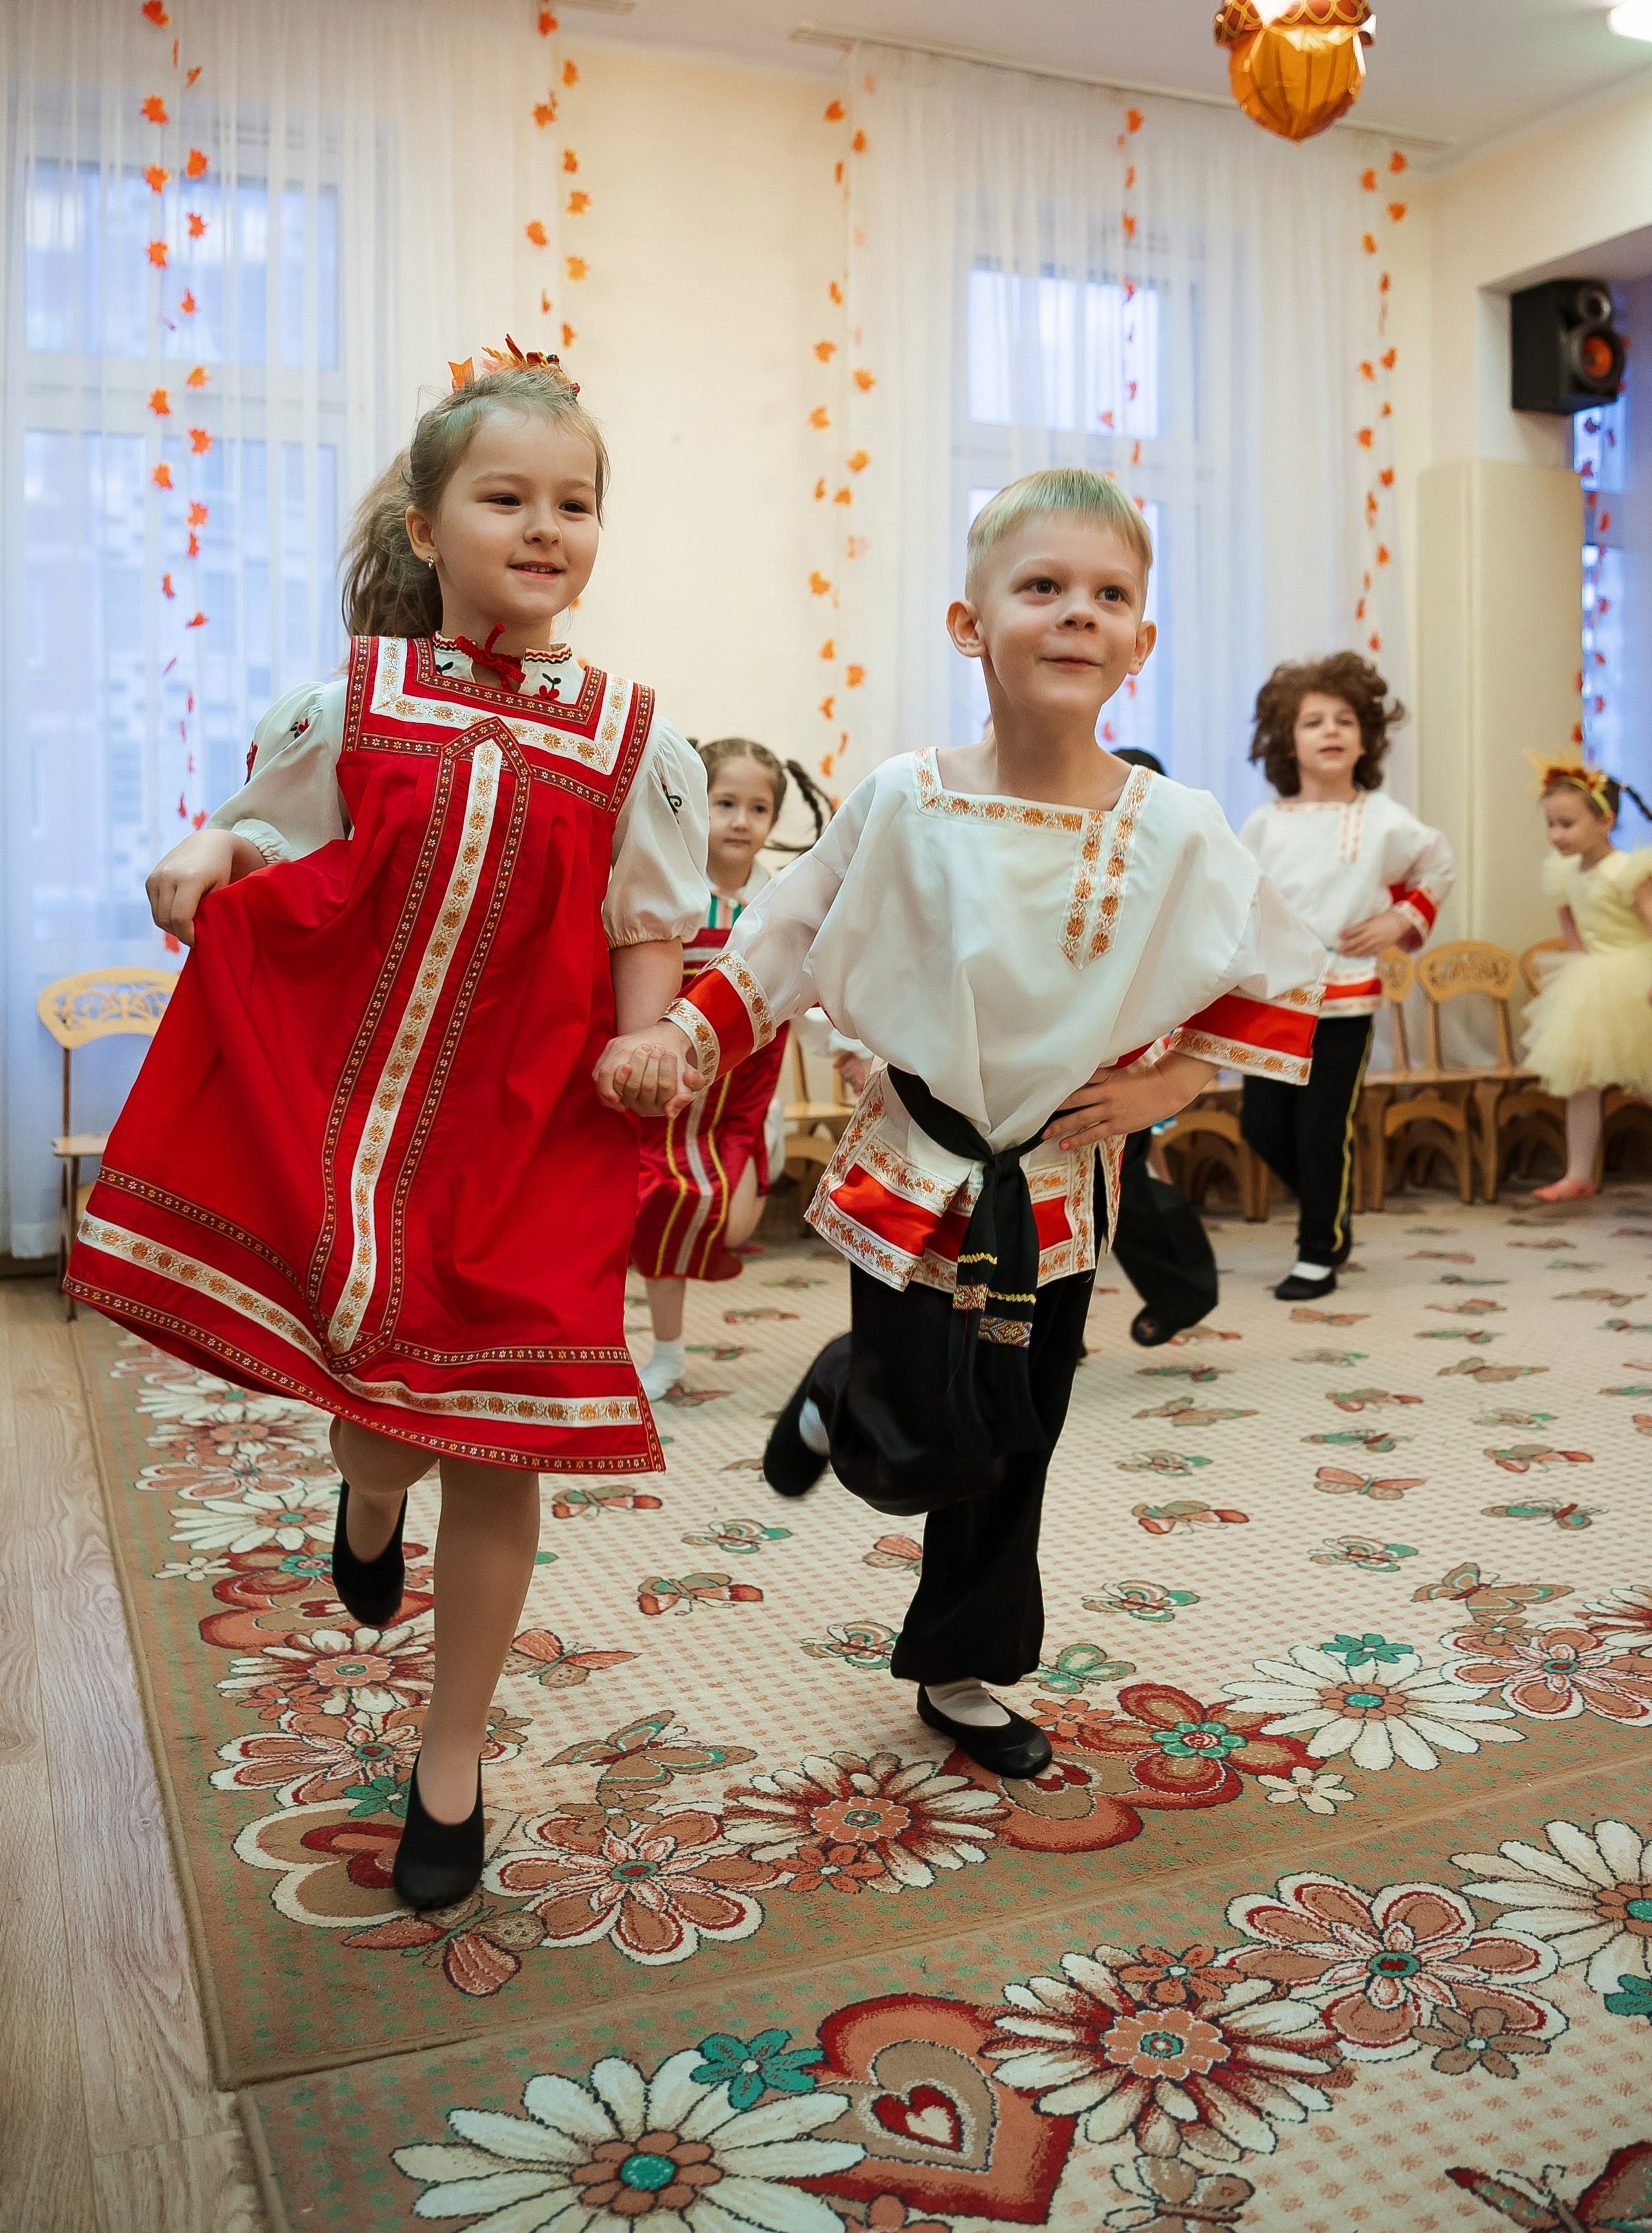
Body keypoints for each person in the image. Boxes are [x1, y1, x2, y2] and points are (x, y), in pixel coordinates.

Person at [65, 348, 708, 1910]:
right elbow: (272, 830)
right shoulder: (354, 698)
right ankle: (365, 1486)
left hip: (530, 1138)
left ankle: (454, 1752)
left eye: (575, 502)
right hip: (364, 1125)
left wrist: (645, 1033)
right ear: (427, 528)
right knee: (388, 1419)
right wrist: (205, 849)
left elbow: (650, 922)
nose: (543, 525)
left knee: (496, 1446)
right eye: (506, 496)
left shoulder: (634, 738)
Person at [594, 467, 1325, 1782]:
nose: (1073, 615)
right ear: (967, 622)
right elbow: (785, 943)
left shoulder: (1176, 827)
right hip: (915, 1166)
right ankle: (843, 1390)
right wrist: (680, 1042)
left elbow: (1278, 978)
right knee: (917, 1436)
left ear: (1140, 642)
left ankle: (959, 1664)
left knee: (1017, 1436)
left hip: (1051, 1184)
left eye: (1107, 596)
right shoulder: (904, 798)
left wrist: (1164, 1088)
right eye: (1039, 587)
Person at [1239, 653, 1454, 1299]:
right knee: (1262, 1126)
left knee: (1320, 1127)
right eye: (1311, 721)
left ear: (1365, 739)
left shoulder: (1387, 819)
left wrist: (1398, 921)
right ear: (1287, 741)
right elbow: (1238, 901)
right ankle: (1327, 1210)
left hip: (1346, 997)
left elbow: (1437, 867)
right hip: (1273, 997)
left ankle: (1318, 1251)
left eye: (1343, 720)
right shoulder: (1263, 824)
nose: (1329, 730)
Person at [632, 737, 830, 1400]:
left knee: (729, 1222)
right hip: (659, 1102)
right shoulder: (665, 897)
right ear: (697, 808)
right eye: (725, 803)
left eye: (758, 808)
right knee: (653, 1214)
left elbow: (808, 1001)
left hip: (740, 1105)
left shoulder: (779, 909)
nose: (741, 821)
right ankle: (663, 1352)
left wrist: (852, 1061)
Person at [1107, 747, 1220, 1346]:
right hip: (1030, 1064)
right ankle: (1036, 1336)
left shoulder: (1175, 874)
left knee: (1118, 1185)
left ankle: (1186, 1289)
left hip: (1126, 1063)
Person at [1520, 753, 1652, 1202]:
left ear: (1606, 820)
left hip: (1638, 978)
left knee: (1647, 1080)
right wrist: (1579, 975)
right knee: (1582, 1082)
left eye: (1568, 824)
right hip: (1594, 981)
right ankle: (1578, 1175)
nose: (1557, 835)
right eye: (1551, 825)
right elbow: (1572, 927)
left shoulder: (1629, 870)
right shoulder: (1564, 872)